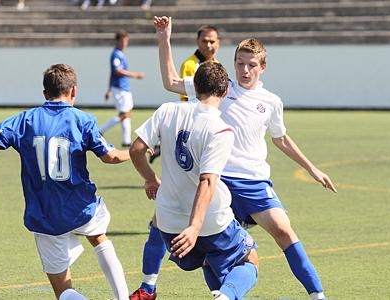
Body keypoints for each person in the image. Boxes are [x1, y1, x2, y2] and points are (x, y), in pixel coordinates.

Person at [131, 16, 338, 300]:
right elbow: (170, 81)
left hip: (253, 182)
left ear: (262, 67)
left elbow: (281, 139)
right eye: (240, 62)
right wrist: (164, 38)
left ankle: (317, 295)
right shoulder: (220, 86)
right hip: (219, 181)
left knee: (284, 232)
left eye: (251, 64)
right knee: (164, 223)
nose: (244, 69)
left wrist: (313, 169)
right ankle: (149, 286)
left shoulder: (271, 102)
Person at [0, 64, 130, 300]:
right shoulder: (82, 119)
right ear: (73, 91)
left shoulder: (25, 119)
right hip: (81, 206)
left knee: (63, 291)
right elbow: (110, 157)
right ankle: (123, 298)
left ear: (44, 93)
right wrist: (135, 151)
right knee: (99, 236)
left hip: (44, 214)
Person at [129, 60, 259, 300]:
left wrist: (150, 179)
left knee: (210, 259)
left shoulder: (168, 110)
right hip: (208, 222)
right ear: (225, 91)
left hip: (169, 226)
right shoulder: (220, 129)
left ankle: (213, 293)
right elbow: (207, 181)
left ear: (195, 86)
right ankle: (225, 296)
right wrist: (194, 227)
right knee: (249, 259)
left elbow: (136, 149)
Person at [148, 24, 220, 163]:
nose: (208, 45)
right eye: (204, 41)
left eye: (212, 41)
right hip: (194, 121)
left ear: (218, 43)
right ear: (198, 42)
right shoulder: (191, 64)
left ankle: (161, 147)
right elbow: (188, 96)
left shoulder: (217, 64)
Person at [100, 30, 145, 147]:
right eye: (124, 41)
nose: (126, 43)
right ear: (118, 41)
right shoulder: (116, 54)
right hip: (120, 88)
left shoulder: (120, 54)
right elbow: (117, 71)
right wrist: (135, 75)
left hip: (123, 87)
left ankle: (126, 140)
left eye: (126, 41)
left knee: (127, 113)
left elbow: (112, 73)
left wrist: (108, 89)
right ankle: (100, 130)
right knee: (124, 114)